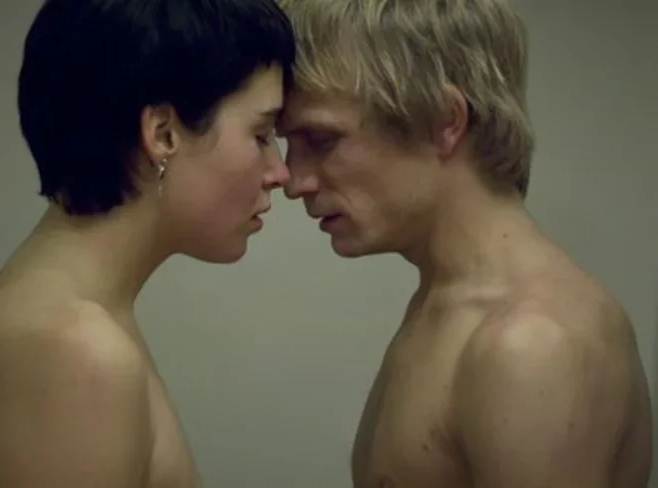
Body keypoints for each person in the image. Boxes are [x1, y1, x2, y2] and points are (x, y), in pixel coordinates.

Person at [276, 0, 653, 486]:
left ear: (445, 120)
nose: (295, 181)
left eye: (321, 140)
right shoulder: (444, 301)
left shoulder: (532, 346)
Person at [0, 0, 293, 486]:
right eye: (262, 134)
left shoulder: (48, 311)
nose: (280, 172)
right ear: (163, 134)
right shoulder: (73, 351)